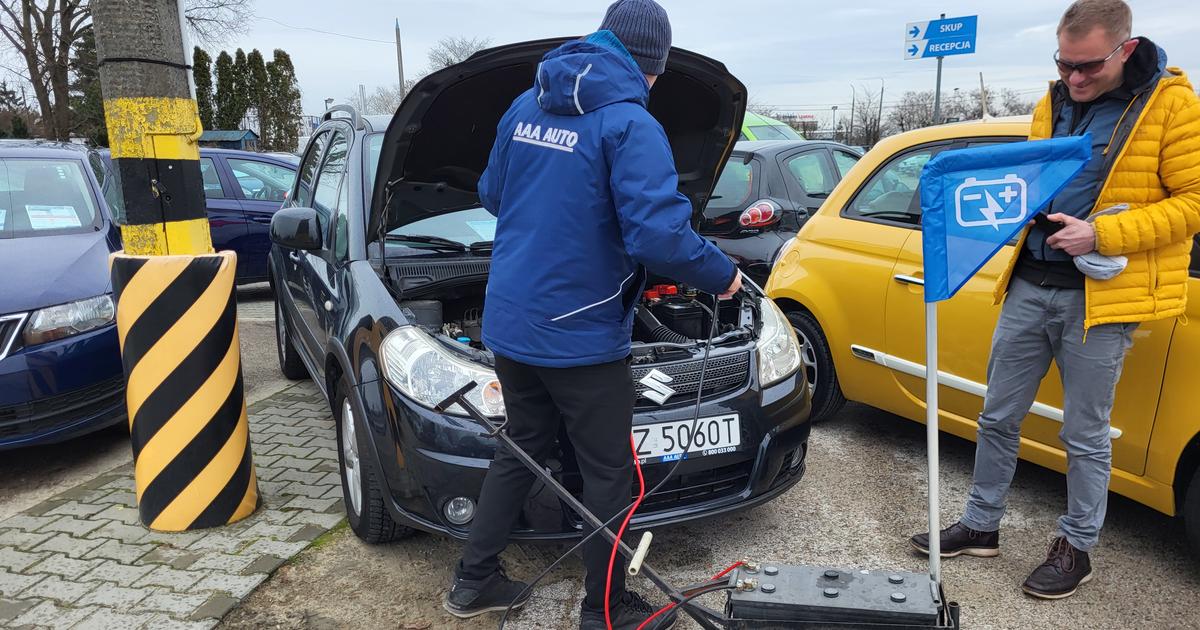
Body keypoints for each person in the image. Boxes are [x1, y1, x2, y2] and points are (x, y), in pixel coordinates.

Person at [443, 1, 741, 628]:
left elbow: (493, 195)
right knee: (612, 478)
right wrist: (722, 275)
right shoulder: (630, 123)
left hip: (511, 320)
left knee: (520, 445)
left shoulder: (526, 105)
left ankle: (474, 582)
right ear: (650, 64)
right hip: (580, 332)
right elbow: (659, 237)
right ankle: (605, 610)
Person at [911, 0, 1200, 600]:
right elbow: (1025, 177)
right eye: (1064, 63)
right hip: (1029, 282)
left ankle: (1077, 547)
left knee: (1084, 434)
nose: (1074, 78)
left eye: (1088, 66)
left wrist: (1103, 232)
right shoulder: (1054, 102)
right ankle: (982, 524)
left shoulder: (1173, 106)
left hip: (1100, 298)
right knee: (997, 415)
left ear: (1126, 47)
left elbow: (1195, 203)